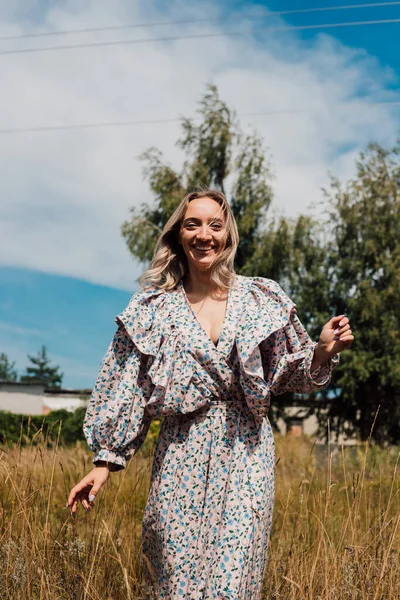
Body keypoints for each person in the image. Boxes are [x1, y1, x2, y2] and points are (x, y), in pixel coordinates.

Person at [67, 189, 353, 599]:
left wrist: (324, 349)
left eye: (215, 225)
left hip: (246, 453)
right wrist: (104, 462)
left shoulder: (260, 298)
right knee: (174, 580)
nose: (205, 235)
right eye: (193, 224)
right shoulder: (152, 309)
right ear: (177, 236)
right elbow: (128, 387)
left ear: (228, 235)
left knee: (232, 583)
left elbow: (288, 373)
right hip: (180, 453)